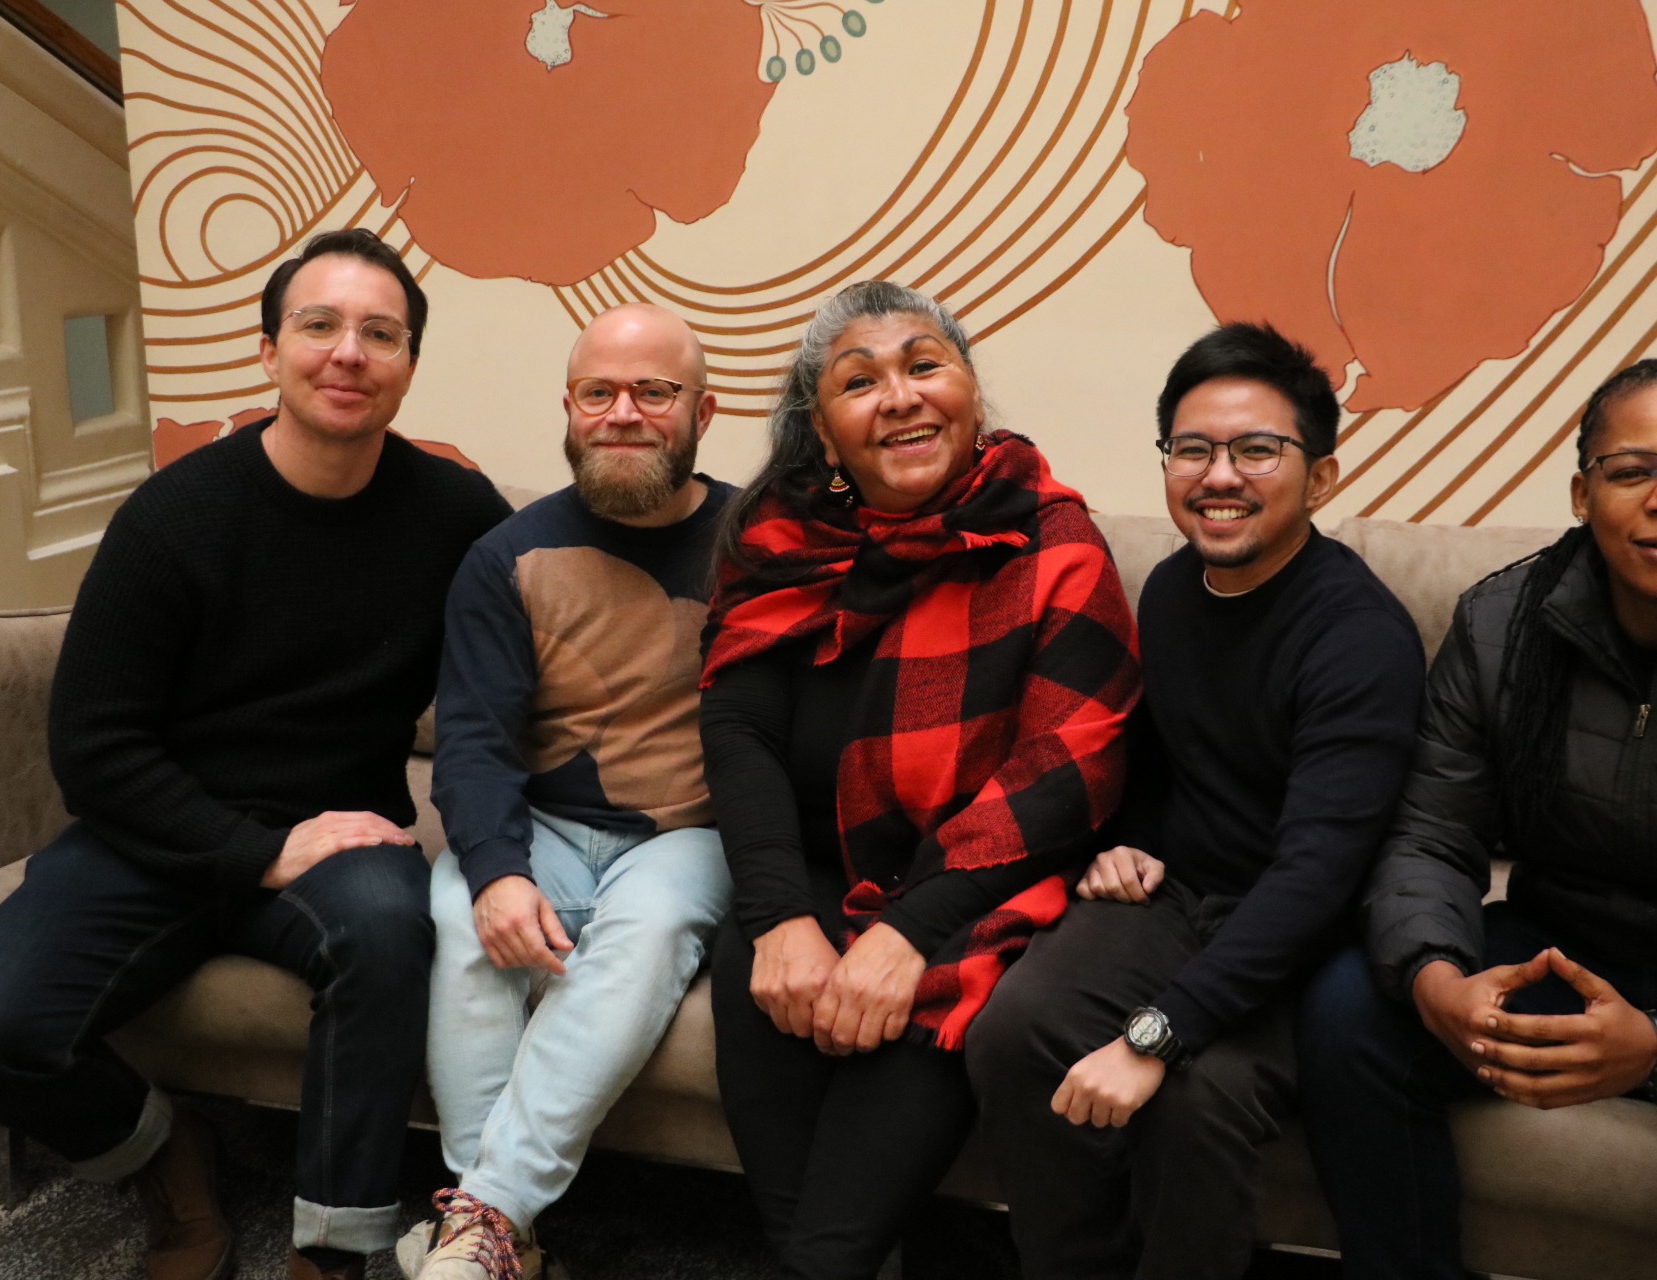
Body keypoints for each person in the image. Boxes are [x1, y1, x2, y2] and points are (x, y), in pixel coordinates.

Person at [0, 229, 511, 1280]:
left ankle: (333, 1245)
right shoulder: (174, 516)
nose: (348, 352)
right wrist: (253, 849)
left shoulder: (452, 511)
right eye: (319, 325)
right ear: (269, 350)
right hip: (153, 830)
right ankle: (170, 1157)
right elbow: (92, 747)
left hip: (342, 830)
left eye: (380, 332)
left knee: (392, 928)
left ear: (407, 364)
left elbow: (556, 601)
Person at [1298, 356, 1657, 1279]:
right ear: (1583, 493)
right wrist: (1436, 978)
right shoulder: (1501, 624)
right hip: (1565, 947)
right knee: (1346, 1011)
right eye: (1631, 470)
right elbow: (1429, 835)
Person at [698, 279, 1141, 1280]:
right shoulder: (781, 534)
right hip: (810, 882)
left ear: (973, 395)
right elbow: (738, 726)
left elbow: (1068, 772)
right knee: (746, 968)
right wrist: (777, 917)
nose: (899, 395)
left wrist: (903, 932)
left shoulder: (1053, 542)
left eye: (924, 365)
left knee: (823, 1250)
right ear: (823, 431)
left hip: (974, 906)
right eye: (861, 381)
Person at [963, 323, 1425, 1279]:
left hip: (1307, 939)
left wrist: (1156, 1033)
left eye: (1258, 449)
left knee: (1190, 1094)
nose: (1220, 475)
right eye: (1193, 449)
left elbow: (1318, 875)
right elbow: (1163, 758)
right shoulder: (1175, 588)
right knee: (1013, 1030)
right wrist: (1122, 840)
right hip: (1180, 899)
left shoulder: (1359, 638)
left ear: (1323, 477)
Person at [399, 304, 734, 1280]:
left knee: (652, 926)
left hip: (690, 831)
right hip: (543, 820)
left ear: (703, 410)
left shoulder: (761, 543)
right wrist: (499, 872)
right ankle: (503, 1240)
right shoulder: (507, 556)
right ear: (570, 407)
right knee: (461, 910)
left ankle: (480, 1218)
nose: (623, 413)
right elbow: (470, 743)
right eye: (600, 392)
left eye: (654, 393)